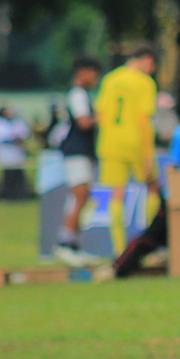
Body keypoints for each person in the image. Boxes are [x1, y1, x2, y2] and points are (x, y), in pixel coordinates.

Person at [94, 43, 161, 257]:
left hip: (110, 142)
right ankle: (148, 243)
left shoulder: (110, 79)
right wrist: (148, 152)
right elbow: (144, 119)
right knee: (152, 187)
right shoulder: (145, 82)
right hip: (136, 143)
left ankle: (119, 248)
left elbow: (101, 113)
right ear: (147, 60)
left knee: (117, 192)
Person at [54, 56, 103, 265]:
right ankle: (64, 245)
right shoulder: (77, 93)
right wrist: (103, 116)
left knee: (80, 197)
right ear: (82, 72)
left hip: (81, 152)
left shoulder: (81, 94)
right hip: (76, 151)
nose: (95, 77)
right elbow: (84, 122)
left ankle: (73, 245)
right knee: (80, 196)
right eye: (93, 72)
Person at [0, 106, 32, 200]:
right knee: (8, 176)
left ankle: (20, 195)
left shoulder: (17, 122)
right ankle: (8, 196)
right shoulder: (2, 123)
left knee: (18, 176)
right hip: (7, 154)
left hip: (18, 154)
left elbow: (25, 134)